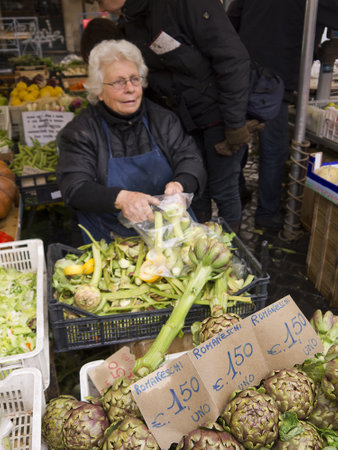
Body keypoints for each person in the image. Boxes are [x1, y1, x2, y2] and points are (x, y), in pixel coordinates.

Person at [95, 0, 257, 233]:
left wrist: (234, 124)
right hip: (182, 119)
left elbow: (232, 58)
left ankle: (229, 253)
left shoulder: (183, 4)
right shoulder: (131, 18)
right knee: (194, 189)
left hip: (218, 114)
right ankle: (196, 245)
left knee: (223, 188)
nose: (99, 3)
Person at [56, 39, 207, 243]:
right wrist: (121, 199)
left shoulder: (163, 120)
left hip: (171, 233)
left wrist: (181, 184)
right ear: (99, 90)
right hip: (110, 238)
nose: (130, 88)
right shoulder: (80, 132)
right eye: (118, 82)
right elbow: (74, 187)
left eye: (134, 79)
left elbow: (191, 159)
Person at [227, 0, 338, 230]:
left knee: (238, 138)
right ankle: (267, 213)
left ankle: (235, 199)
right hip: (276, 82)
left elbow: (231, 23)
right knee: (273, 150)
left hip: (244, 75)